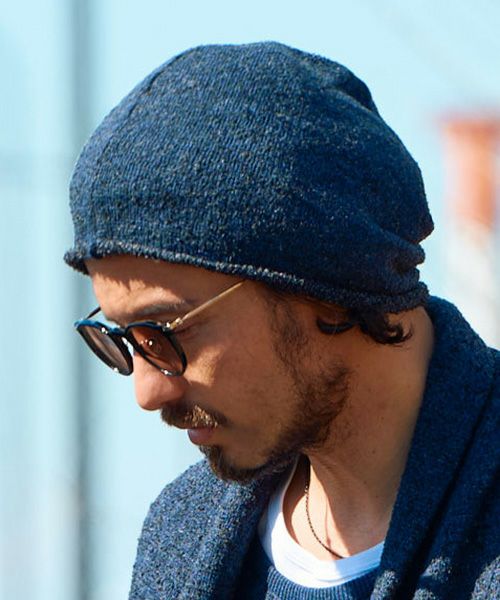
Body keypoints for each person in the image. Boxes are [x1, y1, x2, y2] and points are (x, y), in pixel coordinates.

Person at [65, 42, 499, 599]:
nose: (148, 392)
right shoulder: (180, 537)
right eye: (125, 339)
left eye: (166, 331)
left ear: (322, 284)